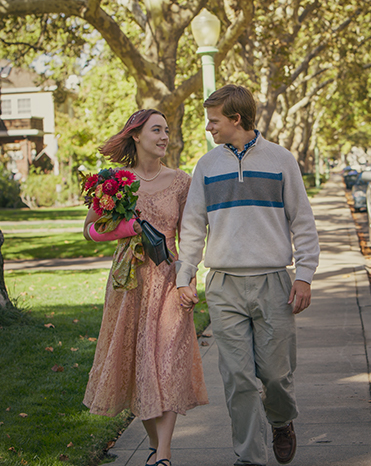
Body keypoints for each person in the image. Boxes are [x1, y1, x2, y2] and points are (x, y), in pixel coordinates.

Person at [176, 85, 320, 466]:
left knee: (275, 374)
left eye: (214, 120)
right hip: (223, 284)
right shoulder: (206, 166)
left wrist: (304, 274)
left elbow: (302, 221)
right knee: (238, 378)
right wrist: (184, 275)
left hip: (274, 281)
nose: (209, 127)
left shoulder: (281, 160)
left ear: (236, 119)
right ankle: (249, 457)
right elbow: (192, 227)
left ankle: (282, 421)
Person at [83, 109, 208, 466]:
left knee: (166, 363)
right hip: (129, 283)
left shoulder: (182, 181)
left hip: (169, 279)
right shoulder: (115, 182)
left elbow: (191, 238)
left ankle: (164, 454)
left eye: (167, 130)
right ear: (136, 135)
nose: (164, 136)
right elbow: (89, 231)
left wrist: (189, 281)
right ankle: (156, 448)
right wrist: (126, 230)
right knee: (140, 367)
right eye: (157, 130)